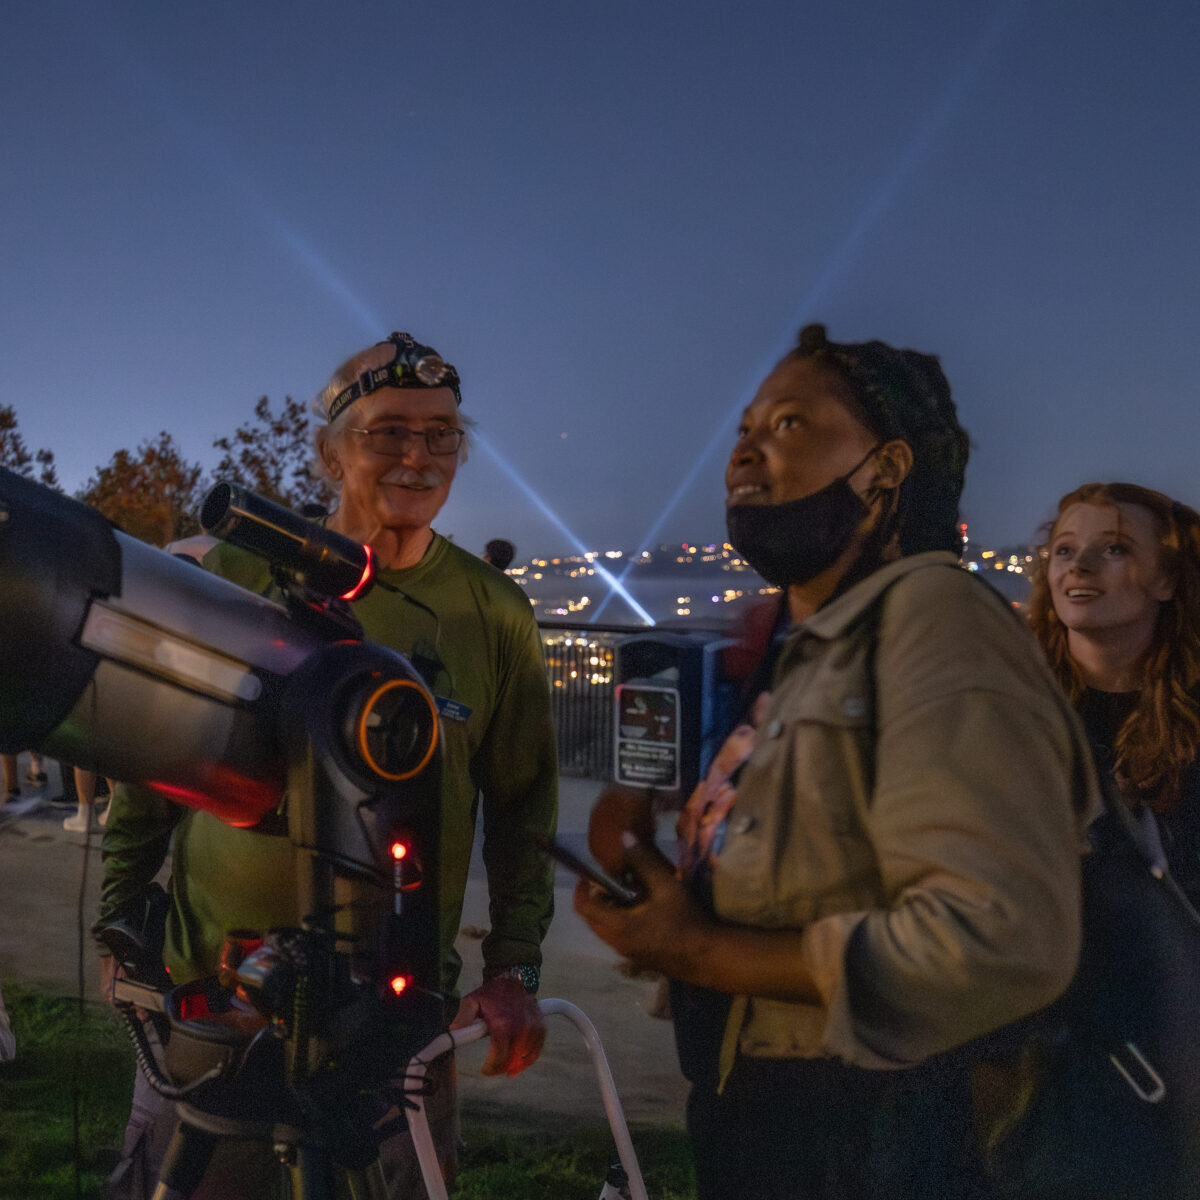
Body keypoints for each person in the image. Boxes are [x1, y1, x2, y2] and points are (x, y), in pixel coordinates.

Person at [577, 323, 1095, 1199]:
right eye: (744, 429)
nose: (744, 453)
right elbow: (806, 867)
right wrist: (660, 855)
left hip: (874, 1135)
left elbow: (1003, 940)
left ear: (886, 470)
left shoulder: (938, 621)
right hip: (765, 1114)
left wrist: (703, 951)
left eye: (788, 425)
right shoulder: (807, 638)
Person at [98, 331, 558, 1197]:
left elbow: (525, 808)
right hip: (219, 1001)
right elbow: (152, 763)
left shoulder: (493, 613)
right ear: (329, 452)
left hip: (397, 1021)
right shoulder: (238, 573)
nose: (418, 457)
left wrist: (514, 969)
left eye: (441, 434)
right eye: (388, 431)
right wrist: (119, 921)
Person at [1028, 482, 1200, 900]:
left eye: (1114, 549)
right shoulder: (1012, 702)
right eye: (1065, 550)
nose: (1079, 566)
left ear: (1166, 578)